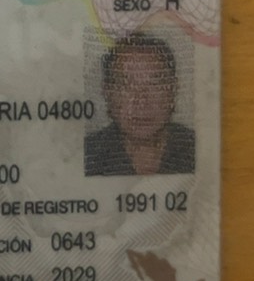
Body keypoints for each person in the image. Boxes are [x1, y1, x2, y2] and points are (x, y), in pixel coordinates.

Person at [84, 32, 195, 177]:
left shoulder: (200, 149)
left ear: (173, 90)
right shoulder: (87, 155)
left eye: (154, 85)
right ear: (107, 92)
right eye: (126, 86)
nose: (141, 101)